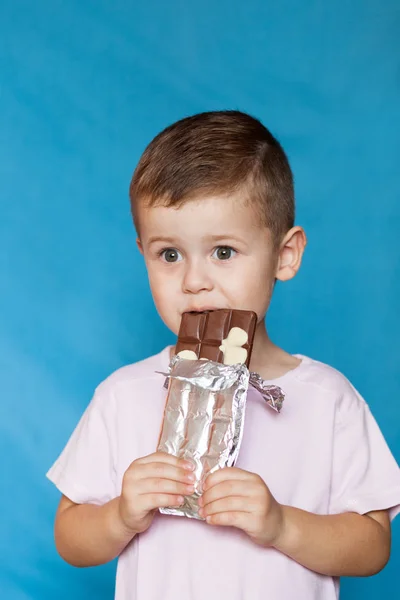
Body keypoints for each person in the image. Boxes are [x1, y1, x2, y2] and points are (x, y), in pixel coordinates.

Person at [46, 110, 400, 600]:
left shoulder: (328, 400)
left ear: (285, 256)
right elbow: (69, 536)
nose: (194, 281)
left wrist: (281, 525)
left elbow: (373, 546)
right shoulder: (122, 395)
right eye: (169, 254)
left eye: (224, 252)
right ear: (142, 252)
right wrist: (119, 514)